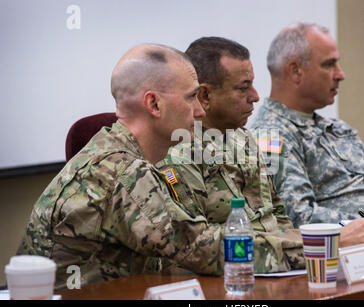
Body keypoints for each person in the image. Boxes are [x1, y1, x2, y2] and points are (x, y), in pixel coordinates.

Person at [157, 37, 364, 275]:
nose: (256, 96)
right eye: (243, 87)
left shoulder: (244, 139)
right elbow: (200, 248)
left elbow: (278, 219)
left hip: (280, 269)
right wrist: (327, 243)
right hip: (230, 280)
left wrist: (325, 248)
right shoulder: (179, 152)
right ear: (205, 96)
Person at [16, 43, 236, 290]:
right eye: (191, 97)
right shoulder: (121, 170)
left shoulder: (135, 156)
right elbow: (203, 249)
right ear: (154, 104)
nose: (200, 110)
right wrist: (286, 245)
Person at [250, 22, 364, 227]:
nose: (340, 74)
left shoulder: (335, 127)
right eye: (328, 64)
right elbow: (298, 218)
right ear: (296, 71)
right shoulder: (270, 136)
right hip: (361, 246)